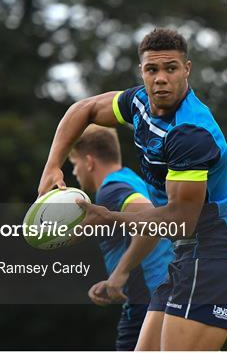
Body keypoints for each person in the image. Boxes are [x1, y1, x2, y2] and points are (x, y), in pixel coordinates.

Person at [38, 27, 227, 350]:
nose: (161, 79)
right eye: (152, 69)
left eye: (171, 68)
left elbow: (180, 221)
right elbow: (84, 109)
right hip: (186, 255)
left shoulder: (190, 133)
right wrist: (52, 165)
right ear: (142, 71)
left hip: (217, 256)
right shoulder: (138, 102)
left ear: (187, 70)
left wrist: (109, 218)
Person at [68, 125, 174, 351]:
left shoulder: (111, 190)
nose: (75, 173)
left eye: (75, 165)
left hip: (149, 301)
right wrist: (115, 278)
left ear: (89, 162)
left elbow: (152, 223)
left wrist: (120, 272)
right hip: (164, 293)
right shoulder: (131, 180)